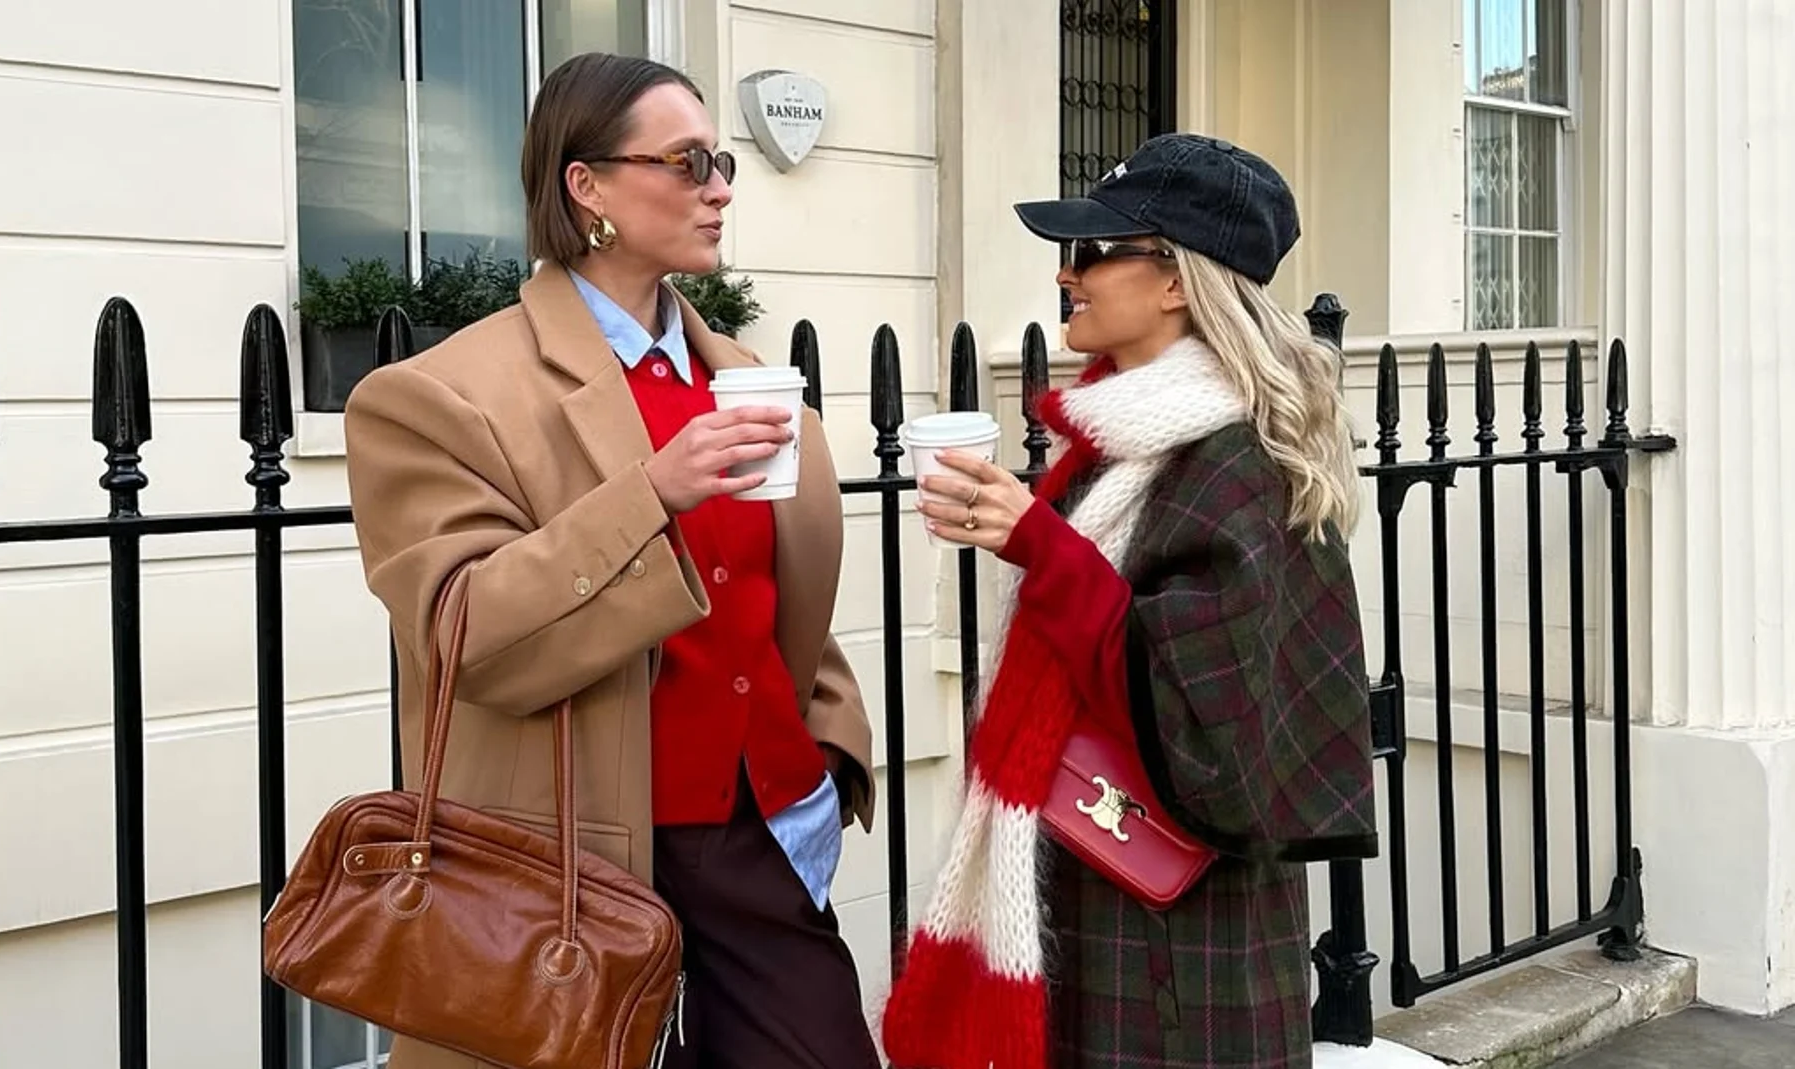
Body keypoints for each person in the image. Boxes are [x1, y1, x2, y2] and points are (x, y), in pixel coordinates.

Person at [342, 52, 882, 1069]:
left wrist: (827, 744)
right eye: (685, 162)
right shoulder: (439, 396)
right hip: (569, 863)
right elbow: (463, 632)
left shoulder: (744, 379)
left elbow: (772, 601)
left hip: (759, 836)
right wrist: (650, 492)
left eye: (720, 161)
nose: (719, 188)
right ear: (585, 185)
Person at [878, 133, 1379, 1069]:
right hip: (1108, 881)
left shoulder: (1235, 455)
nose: (1066, 274)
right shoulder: (1125, 441)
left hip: (1179, 931)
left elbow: (1198, 710)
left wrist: (1040, 543)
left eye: (1094, 251)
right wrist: (1034, 537)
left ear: (1177, 280)